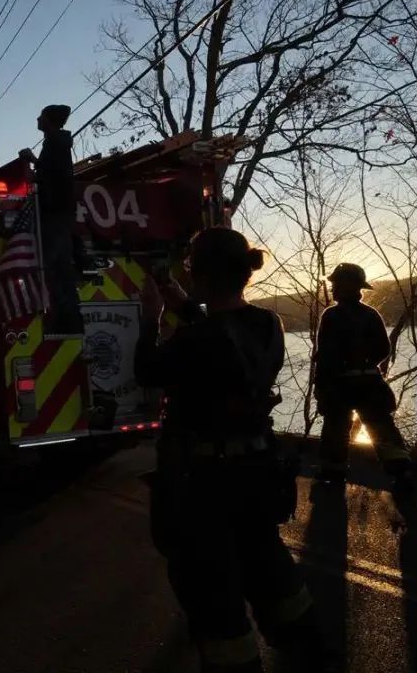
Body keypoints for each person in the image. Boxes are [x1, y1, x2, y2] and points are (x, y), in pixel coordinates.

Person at [138, 228, 335, 673]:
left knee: (211, 593)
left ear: (203, 277)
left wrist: (151, 317)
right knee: (269, 567)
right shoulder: (269, 324)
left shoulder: (195, 342)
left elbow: (147, 369)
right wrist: (180, 300)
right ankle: (313, 651)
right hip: (257, 476)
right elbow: (222, 340)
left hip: (204, 490)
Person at [313, 263, 414, 493]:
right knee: (381, 427)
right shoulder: (371, 315)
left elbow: (325, 356)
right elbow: (384, 349)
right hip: (370, 384)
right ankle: (401, 470)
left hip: (340, 385)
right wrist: (365, 363)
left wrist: (321, 384)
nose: (333, 288)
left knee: (336, 428)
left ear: (351, 286)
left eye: (337, 283)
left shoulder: (331, 316)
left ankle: (332, 473)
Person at [19, 104, 84, 335]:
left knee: (54, 270)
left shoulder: (53, 143)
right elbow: (50, 172)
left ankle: (63, 320)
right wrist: (35, 161)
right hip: (62, 216)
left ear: (48, 121)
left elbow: (36, 180)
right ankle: (73, 319)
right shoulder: (59, 143)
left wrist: (26, 160)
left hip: (53, 216)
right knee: (63, 270)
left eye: (41, 116)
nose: (37, 118)